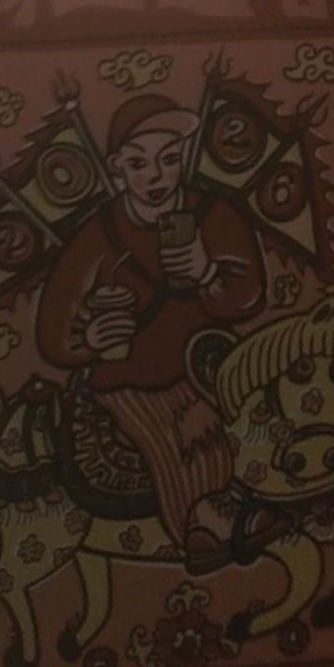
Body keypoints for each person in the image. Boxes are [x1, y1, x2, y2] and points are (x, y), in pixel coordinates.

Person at [36, 92, 278, 573]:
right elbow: (52, 333)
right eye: (138, 163)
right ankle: (200, 528)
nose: (155, 176)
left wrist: (207, 272)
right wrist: (91, 340)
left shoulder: (212, 214)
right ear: (117, 166)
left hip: (211, 364)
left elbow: (248, 295)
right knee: (178, 429)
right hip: (128, 379)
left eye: (168, 160)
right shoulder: (99, 235)